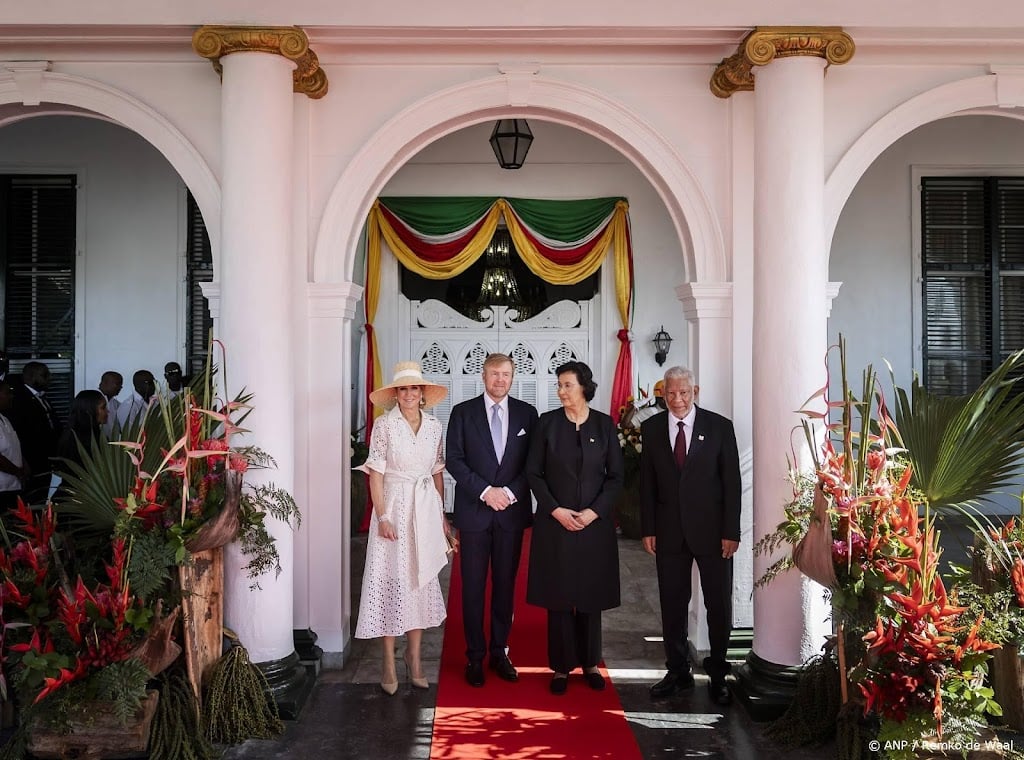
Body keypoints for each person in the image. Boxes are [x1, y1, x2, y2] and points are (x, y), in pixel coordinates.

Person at [640, 366, 741, 706]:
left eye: (683, 393)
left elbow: (732, 484)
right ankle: (678, 670)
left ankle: (717, 673)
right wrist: (648, 528)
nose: (677, 400)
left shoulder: (719, 427)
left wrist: (731, 531)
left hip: (714, 534)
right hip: (668, 532)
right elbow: (647, 484)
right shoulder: (652, 428)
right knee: (671, 604)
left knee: (718, 605)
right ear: (663, 394)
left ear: (694, 391)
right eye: (671, 394)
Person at [354, 361, 455, 695]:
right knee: (390, 581)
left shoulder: (435, 427)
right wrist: (382, 516)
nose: (409, 394)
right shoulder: (384, 426)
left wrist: (440, 516)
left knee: (419, 579)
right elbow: (376, 473)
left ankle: (414, 659)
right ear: (395, 394)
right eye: (403, 388)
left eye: (414, 388)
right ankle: (387, 660)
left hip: (424, 508)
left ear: (422, 393)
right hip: (394, 506)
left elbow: (437, 472)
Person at [526, 360, 623, 695]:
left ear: (584, 386)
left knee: (590, 594)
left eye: (567, 384)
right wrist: (555, 510)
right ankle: (562, 667)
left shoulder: (605, 425)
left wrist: (595, 512)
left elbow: (616, 477)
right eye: (559, 385)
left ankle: (591, 663)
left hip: (594, 525)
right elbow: (533, 474)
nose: (561, 391)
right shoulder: (547, 424)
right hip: (556, 524)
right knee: (559, 594)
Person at [446, 353, 538, 687]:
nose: (500, 380)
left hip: (511, 515)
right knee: (472, 588)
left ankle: (500, 652)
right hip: (474, 514)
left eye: (506, 374)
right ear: (483, 376)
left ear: (513, 377)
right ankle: (474, 657)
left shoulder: (528, 414)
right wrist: (486, 491)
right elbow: (454, 460)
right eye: (494, 374)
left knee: (504, 586)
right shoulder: (462, 413)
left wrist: (509, 494)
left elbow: (533, 463)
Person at [8, 361, 59, 504]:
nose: (49, 378)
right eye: (44, 375)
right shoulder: (19, 398)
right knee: (33, 499)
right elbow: (20, 431)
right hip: (32, 459)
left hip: (47, 459)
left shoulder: (41, 397)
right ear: (31, 376)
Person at [0, 381, 28, 511]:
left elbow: (13, 447)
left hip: (13, 486)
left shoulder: (5, 419)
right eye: (7, 393)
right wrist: (18, 472)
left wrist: (24, 467)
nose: (11, 396)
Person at [98, 371, 123, 437]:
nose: (120, 387)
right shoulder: (92, 400)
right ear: (105, 383)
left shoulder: (117, 404)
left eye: (121, 385)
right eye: (117, 384)